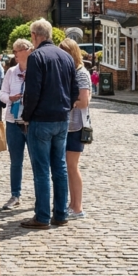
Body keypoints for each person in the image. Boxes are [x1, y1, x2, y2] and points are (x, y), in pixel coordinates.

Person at [20, 19, 78, 230]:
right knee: (60, 168)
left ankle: (43, 216)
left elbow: (32, 91)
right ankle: (61, 213)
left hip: (42, 119)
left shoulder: (37, 56)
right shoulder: (66, 56)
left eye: (31, 36)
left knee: (42, 170)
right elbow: (74, 90)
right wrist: (66, 107)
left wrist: (26, 115)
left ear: (36, 35)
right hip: (62, 119)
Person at [0, 38, 33, 210]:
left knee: (37, 161)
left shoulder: (36, 70)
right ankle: (15, 195)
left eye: (18, 50)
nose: (15, 54)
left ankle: (40, 197)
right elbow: (2, 93)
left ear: (28, 50)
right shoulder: (11, 72)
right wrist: (9, 98)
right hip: (13, 122)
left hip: (32, 122)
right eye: (14, 51)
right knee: (15, 161)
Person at [60, 39, 91, 219]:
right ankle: (72, 204)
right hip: (69, 125)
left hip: (76, 126)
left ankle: (77, 207)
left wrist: (64, 102)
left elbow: (84, 101)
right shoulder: (72, 72)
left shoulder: (81, 74)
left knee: (72, 166)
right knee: (68, 166)